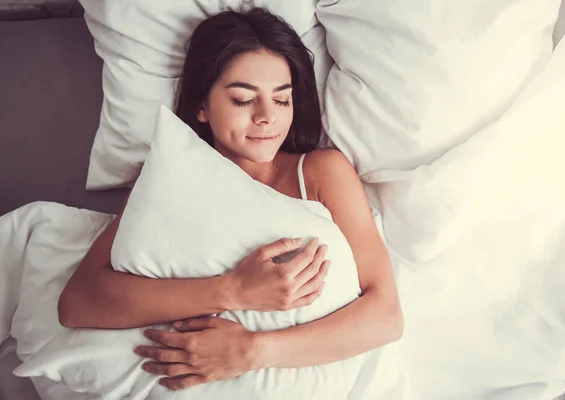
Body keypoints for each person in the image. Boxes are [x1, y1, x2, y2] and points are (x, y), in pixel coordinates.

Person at [58, 7, 402, 392]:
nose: (267, 117)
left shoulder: (322, 173)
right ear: (202, 106)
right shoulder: (171, 179)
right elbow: (78, 302)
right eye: (242, 99)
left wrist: (253, 351)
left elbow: (385, 315)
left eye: (282, 100)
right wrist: (234, 290)